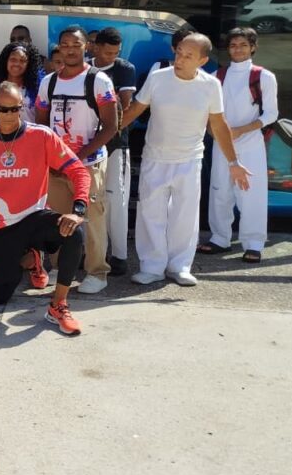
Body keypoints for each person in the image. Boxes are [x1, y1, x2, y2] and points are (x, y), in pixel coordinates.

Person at [0, 82, 90, 336]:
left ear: (22, 107)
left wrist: (78, 210)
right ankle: (30, 259)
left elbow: (78, 171)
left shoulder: (42, 136)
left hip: (34, 216)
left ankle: (58, 305)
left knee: (74, 233)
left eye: (15, 109)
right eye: (3, 109)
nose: (9, 115)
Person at [120, 33, 251, 286]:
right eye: (179, 52)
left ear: (202, 61)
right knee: (150, 214)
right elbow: (135, 110)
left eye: (188, 56)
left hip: (190, 160)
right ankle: (152, 267)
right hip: (155, 158)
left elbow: (218, 124)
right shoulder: (158, 78)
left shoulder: (211, 85)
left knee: (185, 216)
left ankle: (179, 266)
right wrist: (104, 138)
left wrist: (234, 163)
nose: (180, 59)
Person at [36, 26, 119, 294]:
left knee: (92, 218)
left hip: (89, 164)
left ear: (87, 47)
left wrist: (77, 157)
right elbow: (41, 125)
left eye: (76, 44)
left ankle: (97, 272)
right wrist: (50, 159)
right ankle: (60, 267)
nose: (70, 49)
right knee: (57, 219)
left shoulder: (99, 81)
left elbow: (111, 126)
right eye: (65, 44)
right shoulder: (48, 82)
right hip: (56, 167)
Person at [198, 27, 278, 264]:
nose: (238, 49)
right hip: (221, 143)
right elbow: (207, 112)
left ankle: (253, 244)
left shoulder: (263, 76)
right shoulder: (216, 76)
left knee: (251, 194)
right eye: (233, 45)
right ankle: (220, 238)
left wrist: (242, 130)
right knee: (219, 191)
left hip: (251, 143)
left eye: (243, 45)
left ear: (253, 47)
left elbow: (271, 114)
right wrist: (214, 132)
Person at [90, 27, 137, 276]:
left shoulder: (125, 68)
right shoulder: (85, 69)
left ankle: (119, 256)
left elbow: (126, 106)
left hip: (117, 144)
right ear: (95, 47)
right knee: (90, 200)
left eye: (116, 52)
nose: (112, 57)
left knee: (116, 199)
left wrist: (110, 130)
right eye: (108, 52)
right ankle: (92, 252)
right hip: (88, 143)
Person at [0, 42, 43, 125]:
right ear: (6, 61)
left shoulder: (37, 88)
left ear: (28, 64)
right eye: (13, 59)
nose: (17, 64)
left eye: (22, 60)